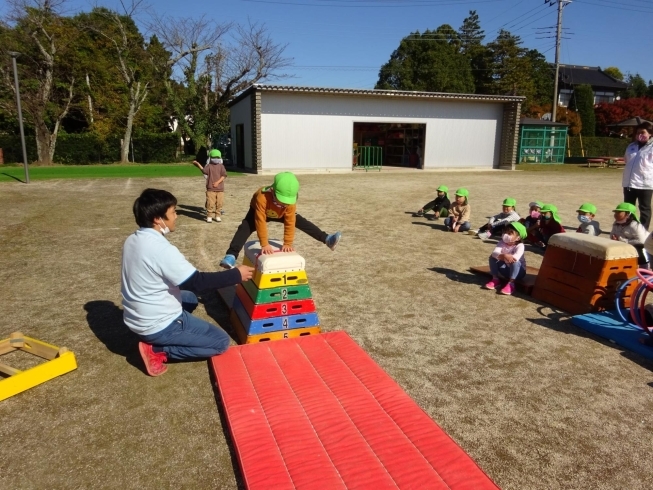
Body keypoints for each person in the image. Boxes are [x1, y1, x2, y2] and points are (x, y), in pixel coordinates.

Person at [121, 188, 254, 376]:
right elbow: (197, 282)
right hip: (156, 324)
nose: (176, 216)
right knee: (220, 342)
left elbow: (183, 285)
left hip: (136, 316)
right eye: (173, 212)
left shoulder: (132, 239)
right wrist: (236, 276)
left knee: (190, 298)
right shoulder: (161, 249)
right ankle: (158, 350)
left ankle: (163, 335)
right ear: (158, 219)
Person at [219, 172, 342, 269]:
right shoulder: (262, 197)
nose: (284, 204)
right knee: (244, 227)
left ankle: (327, 239)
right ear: (272, 191)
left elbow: (289, 222)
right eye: (281, 201)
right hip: (260, 212)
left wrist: (287, 243)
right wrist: (265, 244)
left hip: (280, 214)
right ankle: (231, 255)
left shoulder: (289, 205)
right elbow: (260, 221)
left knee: (302, 221)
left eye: (286, 202)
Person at [622, 121, 653, 230]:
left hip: (645, 183)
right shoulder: (631, 146)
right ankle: (629, 227)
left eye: (643, 132)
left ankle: (642, 230)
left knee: (644, 209)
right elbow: (626, 160)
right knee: (628, 207)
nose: (639, 134)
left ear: (650, 133)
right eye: (637, 132)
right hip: (629, 182)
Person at [483, 222, 528, 296]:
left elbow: (515, 258)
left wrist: (503, 256)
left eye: (510, 233)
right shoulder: (501, 242)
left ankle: (511, 284)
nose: (505, 235)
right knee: (492, 257)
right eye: (505, 232)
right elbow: (495, 253)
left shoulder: (520, 246)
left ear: (518, 238)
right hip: (506, 270)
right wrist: (504, 255)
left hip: (519, 273)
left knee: (515, 262)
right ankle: (495, 279)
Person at [611, 202, 650, 268]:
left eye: (619, 212)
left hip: (644, 247)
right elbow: (612, 234)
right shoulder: (616, 223)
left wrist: (622, 240)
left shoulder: (635, 225)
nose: (615, 215)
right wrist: (613, 238)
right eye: (615, 212)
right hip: (627, 245)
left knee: (639, 251)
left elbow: (642, 241)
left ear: (628, 214)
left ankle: (644, 272)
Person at [192, 149, 226, 223]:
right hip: (210, 189)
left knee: (219, 203)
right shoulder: (209, 166)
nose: (216, 159)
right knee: (210, 203)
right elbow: (204, 171)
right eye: (214, 157)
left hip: (220, 189)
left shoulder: (221, 166)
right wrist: (198, 164)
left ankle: (217, 216)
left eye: (217, 158)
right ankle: (209, 216)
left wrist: (217, 182)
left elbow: (224, 175)